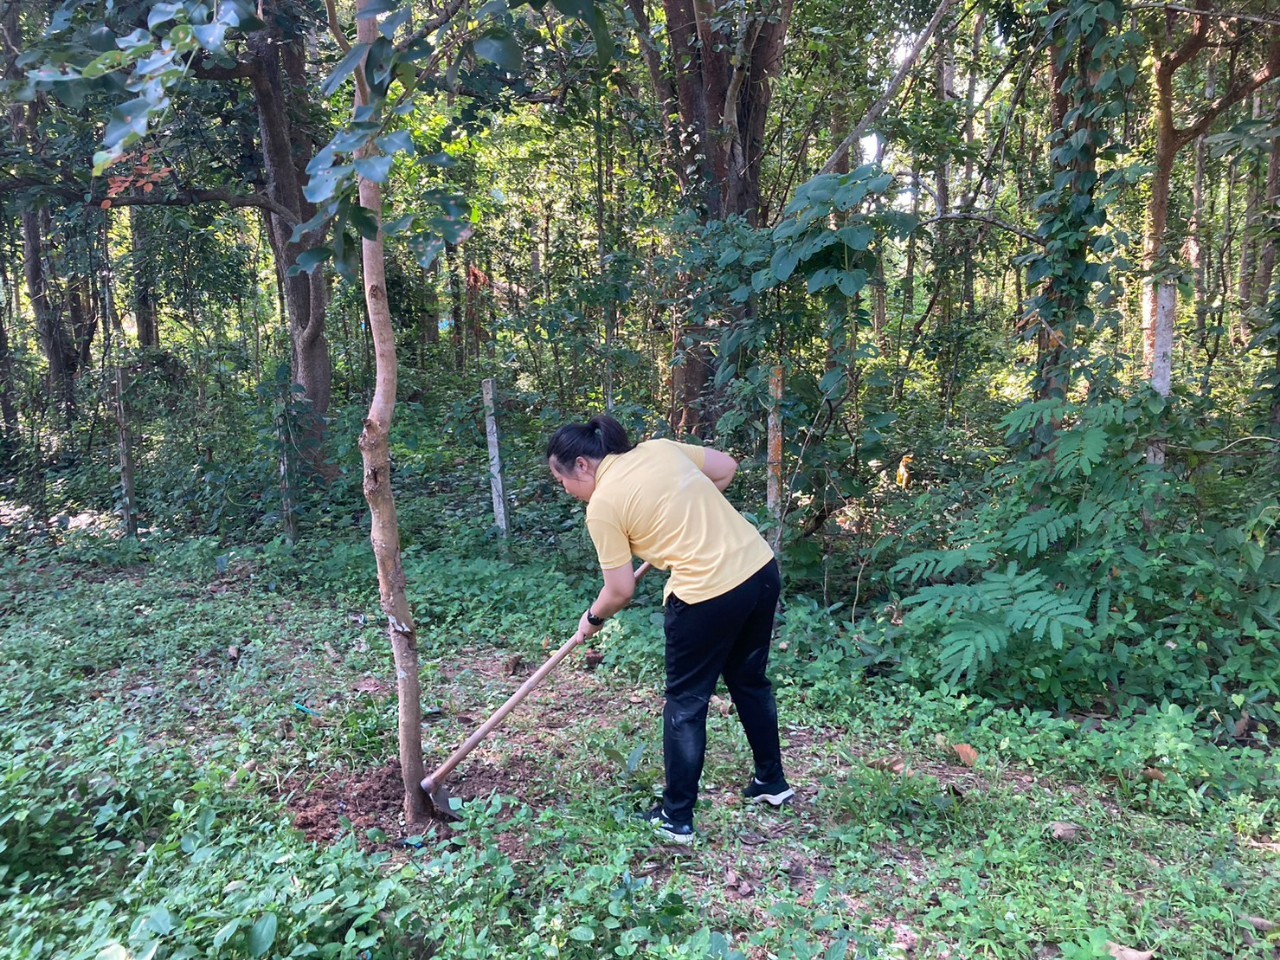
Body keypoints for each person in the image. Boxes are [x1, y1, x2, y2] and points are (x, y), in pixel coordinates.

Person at [547, 414, 792, 844]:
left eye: (562, 479)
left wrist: (592, 619)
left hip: (708, 594)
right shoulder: (659, 449)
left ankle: (676, 818)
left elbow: (619, 590)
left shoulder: (603, 505)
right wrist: (683, 522)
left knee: (686, 703)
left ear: (582, 465)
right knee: (749, 681)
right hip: (759, 570)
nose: (565, 489)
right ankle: (772, 782)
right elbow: (727, 468)